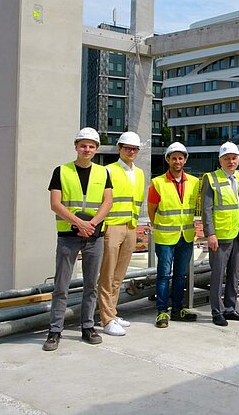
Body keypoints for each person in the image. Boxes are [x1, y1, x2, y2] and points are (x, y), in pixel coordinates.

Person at [43, 127, 113, 351]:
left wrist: (91, 225)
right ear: (76, 146)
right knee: (61, 286)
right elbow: (55, 204)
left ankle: (88, 326)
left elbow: (107, 203)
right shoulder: (61, 171)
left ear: (96, 149)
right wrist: (78, 223)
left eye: (91, 146)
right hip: (68, 236)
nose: (87, 149)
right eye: (83, 145)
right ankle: (55, 331)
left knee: (91, 285)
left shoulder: (103, 173)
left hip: (94, 235)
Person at [148, 142, 200, 329]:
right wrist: (161, 226)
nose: (177, 161)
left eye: (180, 158)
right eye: (174, 158)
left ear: (185, 160)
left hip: (185, 236)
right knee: (163, 275)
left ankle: (178, 309)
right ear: (167, 159)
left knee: (180, 275)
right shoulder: (158, 183)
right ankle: (162, 311)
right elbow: (152, 209)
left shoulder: (194, 182)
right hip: (165, 237)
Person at [98, 131, 146, 337]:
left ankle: (113, 313)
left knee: (118, 275)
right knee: (107, 275)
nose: (131, 151)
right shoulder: (108, 171)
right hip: (112, 226)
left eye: (134, 149)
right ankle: (106, 319)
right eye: (127, 148)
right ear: (119, 149)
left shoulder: (140, 173)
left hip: (131, 226)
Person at [202, 141, 239, 326]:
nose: (231, 161)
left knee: (234, 274)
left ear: (238, 159)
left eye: (233, 158)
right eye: (227, 158)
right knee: (217, 274)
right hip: (221, 236)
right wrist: (210, 234)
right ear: (220, 160)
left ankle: (230, 308)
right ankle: (217, 311)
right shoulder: (211, 178)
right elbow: (207, 210)